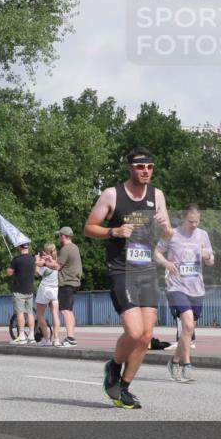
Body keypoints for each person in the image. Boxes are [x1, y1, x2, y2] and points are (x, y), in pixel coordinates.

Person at [85, 148, 172, 409]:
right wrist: (114, 231)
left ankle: (123, 387)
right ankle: (113, 366)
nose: (146, 171)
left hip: (146, 269)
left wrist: (165, 228)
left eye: (150, 167)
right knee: (134, 332)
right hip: (121, 270)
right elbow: (89, 228)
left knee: (146, 336)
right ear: (130, 168)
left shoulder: (157, 196)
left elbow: (168, 235)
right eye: (140, 166)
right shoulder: (112, 194)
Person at [155, 203, 214, 382]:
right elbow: (157, 253)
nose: (194, 224)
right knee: (187, 325)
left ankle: (174, 361)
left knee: (188, 330)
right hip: (176, 287)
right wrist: (167, 263)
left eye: (197, 221)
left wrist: (207, 256)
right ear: (183, 218)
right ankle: (186, 364)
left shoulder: (203, 235)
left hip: (196, 288)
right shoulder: (171, 234)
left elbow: (211, 261)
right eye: (190, 221)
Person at [55, 226, 82, 347]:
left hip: (66, 283)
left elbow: (57, 266)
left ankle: (70, 338)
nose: (59, 238)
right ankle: (71, 337)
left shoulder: (65, 249)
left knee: (65, 311)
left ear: (63, 236)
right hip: (74, 283)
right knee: (69, 311)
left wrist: (45, 263)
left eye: (59, 235)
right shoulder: (75, 247)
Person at [6, 242, 36, 344]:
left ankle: (22, 336)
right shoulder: (32, 259)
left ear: (20, 247)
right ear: (28, 247)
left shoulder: (16, 259)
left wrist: (11, 267)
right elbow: (35, 271)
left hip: (19, 290)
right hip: (29, 290)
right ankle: (31, 336)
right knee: (30, 313)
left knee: (20, 313)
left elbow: (9, 273)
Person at [35, 243, 61, 346]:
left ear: (46, 251)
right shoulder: (57, 261)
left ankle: (46, 339)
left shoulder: (45, 263)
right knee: (55, 315)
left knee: (40, 314)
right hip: (55, 289)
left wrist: (36, 261)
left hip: (44, 289)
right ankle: (56, 339)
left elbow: (37, 273)